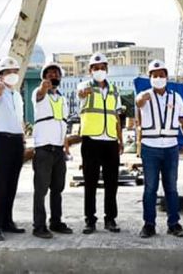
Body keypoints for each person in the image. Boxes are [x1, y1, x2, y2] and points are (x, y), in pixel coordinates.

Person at [136, 59, 183, 238]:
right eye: (154, 75)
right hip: (150, 147)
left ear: (167, 77)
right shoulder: (145, 95)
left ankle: (173, 223)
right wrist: (140, 99)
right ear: (150, 77)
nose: (158, 78)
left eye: (161, 75)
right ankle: (149, 224)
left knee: (171, 188)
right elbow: (138, 102)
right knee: (150, 187)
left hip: (170, 147)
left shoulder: (176, 97)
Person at [75, 52, 123, 234]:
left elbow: (116, 116)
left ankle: (110, 219)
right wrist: (82, 93)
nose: (99, 71)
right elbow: (80, 94)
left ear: (107, 69)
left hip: (110, 140)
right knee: (90, 181)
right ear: (90, 71)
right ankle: (90, 219)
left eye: (102, 68)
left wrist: (119, 139)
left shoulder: (113, 90)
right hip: (91, 140)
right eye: (96, 68)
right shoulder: (84, 86)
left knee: (112, 182)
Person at [31, 62, 73, 238]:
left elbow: (62, 123)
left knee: (58, 188)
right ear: (44, 77)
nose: (53, 76)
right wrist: (43, 87)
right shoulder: (39, 94)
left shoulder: (62, 99)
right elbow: (40, 93)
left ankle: (56, 221)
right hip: (44, 149)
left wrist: (65, 146)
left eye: (56, 73)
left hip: (58, 150)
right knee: (41, 189)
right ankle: (38, 226)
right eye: (49, 74)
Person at [0, 56, 27, 241]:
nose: (12, 75)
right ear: (0, 75)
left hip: (16, 141)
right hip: (2, 140)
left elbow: (19, 119)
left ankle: (7, 221)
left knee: (12, 184)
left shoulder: (17, 96)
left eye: (14, 72)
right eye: (7, 72)